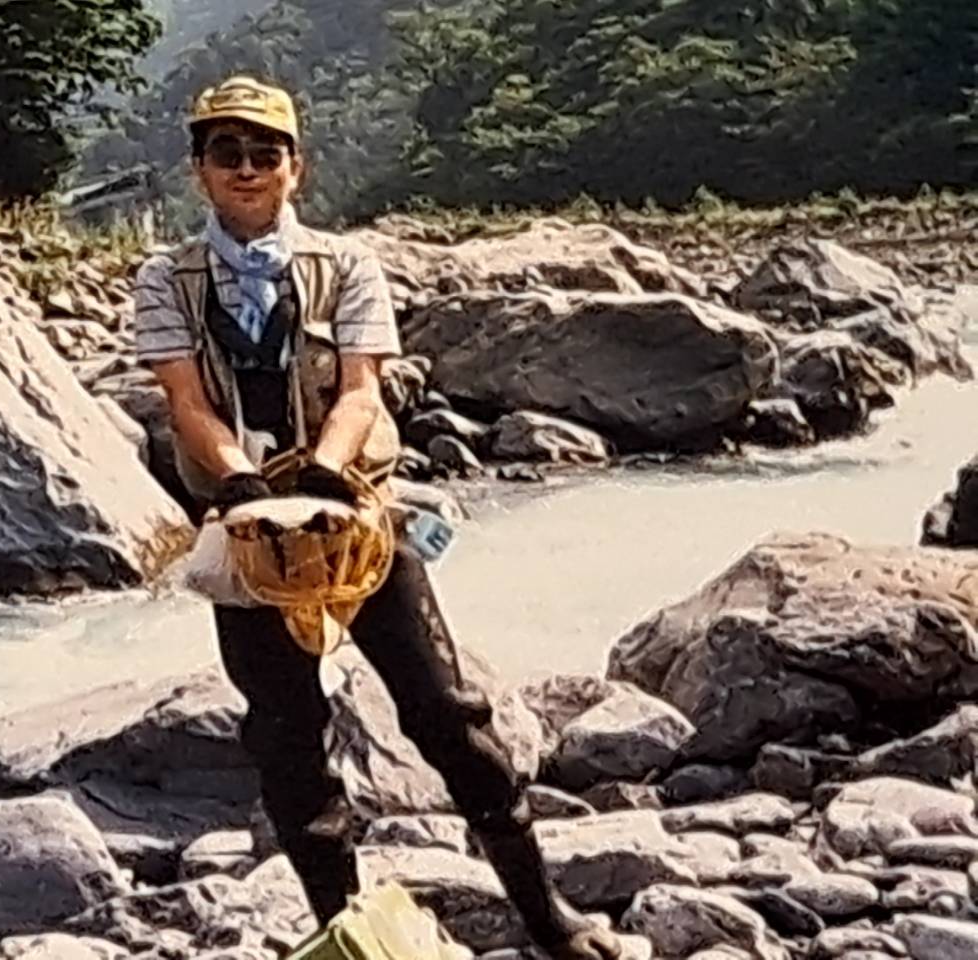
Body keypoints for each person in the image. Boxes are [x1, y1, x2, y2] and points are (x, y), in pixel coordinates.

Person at [130, 75, 623, 960]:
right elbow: (186, 403)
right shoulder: (166, 278)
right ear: (199, 170)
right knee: (286, 740)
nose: (247, 169)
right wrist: (243, 485)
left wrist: (323, 472)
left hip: (358, 520)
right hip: (249, 541)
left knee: (448, 716)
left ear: (297, 168)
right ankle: (345, 931)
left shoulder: (347, 266)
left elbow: (361, 389)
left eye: (265, 153)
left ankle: (549, 918)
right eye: (226, 152)